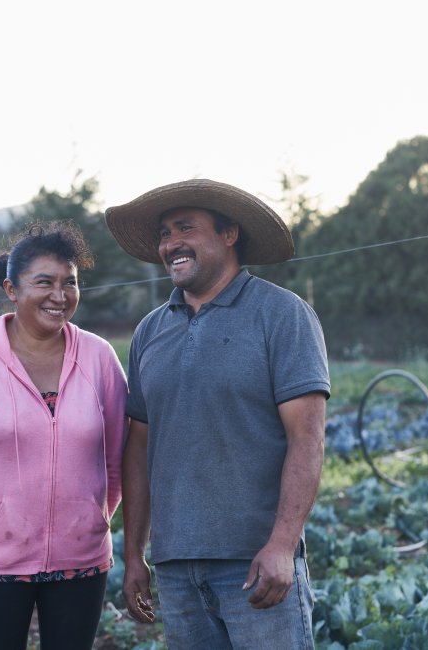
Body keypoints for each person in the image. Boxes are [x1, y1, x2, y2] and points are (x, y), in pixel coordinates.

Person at [105, 179, 330, 649]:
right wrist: (134, 556)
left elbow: (306, 440)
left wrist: (283, 544)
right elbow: (139, 447)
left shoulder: (282, 315)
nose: (170, 244)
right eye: (165, 233)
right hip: (176, 569)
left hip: (255, 565)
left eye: (185, 228)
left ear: (230, 234)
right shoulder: (149, 332)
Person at [0, 220, 128, 650]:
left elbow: (116, 457)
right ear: (12, 289)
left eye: (69, 283)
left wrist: (93, 518)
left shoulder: (99, 357)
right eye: (44, 282)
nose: (59, 295)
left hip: (82, 559)